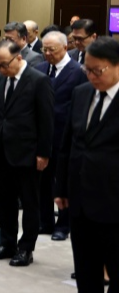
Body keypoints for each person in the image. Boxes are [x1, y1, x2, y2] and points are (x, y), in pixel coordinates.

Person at [57, 38, 119, 293]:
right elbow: (68, 144)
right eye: (88, 70)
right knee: (87, 276)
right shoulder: (82, 93)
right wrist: (62, 188)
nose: (92, 76)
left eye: (99, 71)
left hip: (115, 205)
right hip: (81, 202)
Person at [0, 39, 54, 267]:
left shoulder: (38, 81)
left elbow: (46, 120)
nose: (1, 69)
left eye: (4, 64)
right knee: (4, 200)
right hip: (1, 150)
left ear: (19, 57)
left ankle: (26, 248)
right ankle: (7, 243)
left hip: (28, 152)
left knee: (30, 202)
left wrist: (43, 153)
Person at [35, 30, 87, 241]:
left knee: (63, 182)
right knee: (42, 181)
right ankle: (45, 221)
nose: (47, 53)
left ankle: (63, 225)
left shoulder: (78, 72)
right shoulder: (39, 69)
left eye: (52, 50)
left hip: (64, 135)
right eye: (44, 49)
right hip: (41, 135)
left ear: (66, 48)